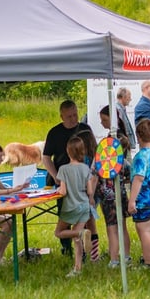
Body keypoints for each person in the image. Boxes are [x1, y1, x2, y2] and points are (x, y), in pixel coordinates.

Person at [42, 100, 93, 255]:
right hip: (63, 178)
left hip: (82, 179)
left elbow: (94, 153)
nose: (73, 118)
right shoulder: (54, 132)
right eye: (69, 116)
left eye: (75, 114)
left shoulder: (85, 129)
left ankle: (84, 248)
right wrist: (55, 176)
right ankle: (66, 247)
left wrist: (89, 174)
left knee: (83, 216)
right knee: (64, 214)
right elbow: (46, 157)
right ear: (61, 116)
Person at [53, 136, 96, 277]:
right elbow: (90, 191)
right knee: (77, 240)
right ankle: (77, 268)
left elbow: (63, 191)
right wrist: (91, 201)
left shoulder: (63, 169)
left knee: (59, 232)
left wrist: (58, 191)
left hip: (70, 207)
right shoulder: (85, 168)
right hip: (84, 206)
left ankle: (81, 233)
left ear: (68, 151)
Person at [95, 134, 133, 269]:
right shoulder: (125, 163)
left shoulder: (100, 163)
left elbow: (94, 178)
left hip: (107, 199)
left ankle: (114, 259)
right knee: (122, 227)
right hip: (121, 196)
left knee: (111, 229)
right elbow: (130, 178)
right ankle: (127, 256)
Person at [128, 119, 150, 268]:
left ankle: (149, 261)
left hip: (143, 197)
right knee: (146, 228)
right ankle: (147, 257)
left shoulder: (141, 156)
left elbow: (139, 179)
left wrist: (132, 200)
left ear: (139, 137)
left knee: (144, 230)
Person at [76, 128, 101, 262]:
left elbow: (92, 178)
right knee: (91, 223)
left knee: (82, 225)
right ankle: (94, 255)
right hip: (93, 195)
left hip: (86, 194)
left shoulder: (85, 159)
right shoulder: (95, 157)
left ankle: (83, 254)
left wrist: (89, 196)